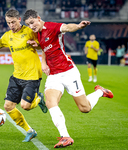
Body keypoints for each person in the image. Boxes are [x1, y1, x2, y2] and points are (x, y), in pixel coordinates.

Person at [23, 9, 114, 148]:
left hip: (68, 72)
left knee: (85, 108)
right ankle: (65, 136)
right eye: (29, 24)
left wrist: (78, 26)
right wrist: (43, 63)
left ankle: (100, 92)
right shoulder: (37, 34)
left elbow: (66, 27)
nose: (31, 26)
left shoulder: (52, 27)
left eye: (32, 22)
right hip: (53, 75)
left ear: (38, 18)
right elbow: (45, 49)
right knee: (50, 102)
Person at [0, 9, 47, 142]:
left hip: (32, 75)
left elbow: (44, 44)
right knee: (8, 106)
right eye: (8, 23)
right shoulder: (7, 36)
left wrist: (37, 44)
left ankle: (38, 98)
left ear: (19, 20)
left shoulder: (30, 31)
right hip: (17, 76)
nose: (11, 25)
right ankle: (30, 131)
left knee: (25, 106)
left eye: (13, 22)